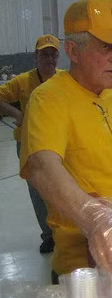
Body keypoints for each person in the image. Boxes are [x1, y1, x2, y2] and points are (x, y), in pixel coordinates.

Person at [19, 0, 112, 282]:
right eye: (106, 47)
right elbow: (43, 167)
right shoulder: (49, 98)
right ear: (73, 51)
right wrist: (95, 218)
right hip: (86, 264)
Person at [0, 35, 60, 253]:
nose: (49, 59)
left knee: (64, 187)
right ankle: (49, 236)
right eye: (44, 54)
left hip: (60, 143)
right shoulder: (23, 81)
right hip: (30, 145)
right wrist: (17, 113)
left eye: (53, 54)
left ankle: (66, 232)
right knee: (38, 191)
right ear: (36, 57)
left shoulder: (66, 79)